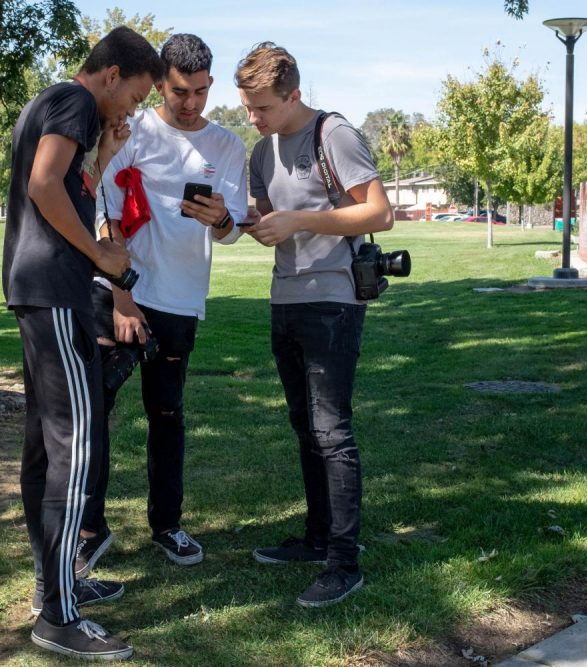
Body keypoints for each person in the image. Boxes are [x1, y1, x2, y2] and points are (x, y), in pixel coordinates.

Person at [2, 26, 163, 661]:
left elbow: (72, 185)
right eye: (135, 95)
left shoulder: (49, 106)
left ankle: (57, 587)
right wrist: (101, 253)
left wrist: (104, 153)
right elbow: (46, 185)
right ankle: (58, 616)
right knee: (77, 448)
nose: (133, 109)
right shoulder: (72, 102)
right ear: (112, 73)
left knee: (44, 449)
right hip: (59, 293)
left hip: (35, 289)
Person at [77, 33, 248, 572]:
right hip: (123, 294)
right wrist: (124, 296)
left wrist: (220, 220)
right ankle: (88, 529)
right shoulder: (134, 130)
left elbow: (233, 231)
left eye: (200, 91)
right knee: (96, 411)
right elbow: (104, 210)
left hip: (181, 299)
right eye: (179, 91)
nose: (191, 102)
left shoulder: (227, 146)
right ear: (160, 84)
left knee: (167, 415)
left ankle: (167, 526)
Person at [234, 43, 393, 608]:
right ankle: (317, 538)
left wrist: (299, 218)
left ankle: (344, 563)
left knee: (332, 431)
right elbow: (257, 218)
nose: (254, 119)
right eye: (248, 108)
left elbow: (378, 211)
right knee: (305, 427)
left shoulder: (335, 134)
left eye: (263, 109)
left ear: (293, 94)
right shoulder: (261, 151)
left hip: (334, 300)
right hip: (285, 299)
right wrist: (233, 220)